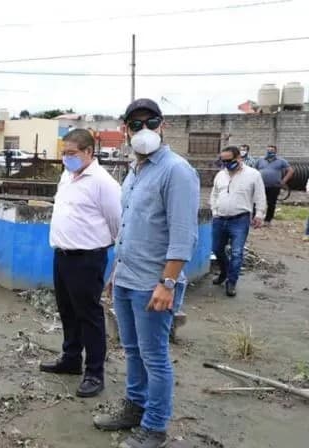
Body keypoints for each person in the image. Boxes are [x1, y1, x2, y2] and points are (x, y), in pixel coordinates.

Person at [93, 99, 199, 448]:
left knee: (154, 357)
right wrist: (115, 272)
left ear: (162, 125)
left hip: (153, 284)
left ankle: (155, 427)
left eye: (149, 122)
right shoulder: (135, 172)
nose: (143, 130)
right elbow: (129, 227)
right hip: (127, 279)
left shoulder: (176, 171)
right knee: (132, 350)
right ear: (125, 130)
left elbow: (183, 235)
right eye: (135, 124)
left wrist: (168, 283)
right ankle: (134, 408)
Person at [40, 129, 121, 398]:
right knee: (67, 310)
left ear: (89, 152)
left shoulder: (103, 183)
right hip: (62, 255)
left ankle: (95, 373)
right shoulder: (67, 176)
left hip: (87, 258)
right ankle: (71, 358)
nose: (66, 158)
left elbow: (117, 223)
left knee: (89, 315)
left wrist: (111, 254)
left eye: (72, 153)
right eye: (64, 153)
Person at [210, 146, 266, 297]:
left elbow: (260, 196)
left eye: (229, 160)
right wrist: (214, 211)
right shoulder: (221, 175)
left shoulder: (253, 175)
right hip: (220, 219)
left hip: (239, 220)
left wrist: (259, 214)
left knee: (236, 252)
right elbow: (214, 194)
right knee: (217, 249)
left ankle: (231, 282)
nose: (226, 164)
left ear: (239, 158)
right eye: (223, 161)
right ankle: (224, 272)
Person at [255, 145, 294, 225]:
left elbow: (290, 170)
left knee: (271, 203)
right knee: (257, 202)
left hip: (274, 186)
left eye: (272, 150)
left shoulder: (281, 161)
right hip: (260, 186)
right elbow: (254, 170)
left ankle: (267, 220)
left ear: (275, 151)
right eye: (268, 150)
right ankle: (255, 219)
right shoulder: (260, 160)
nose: (269, 152)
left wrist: (284, 181)